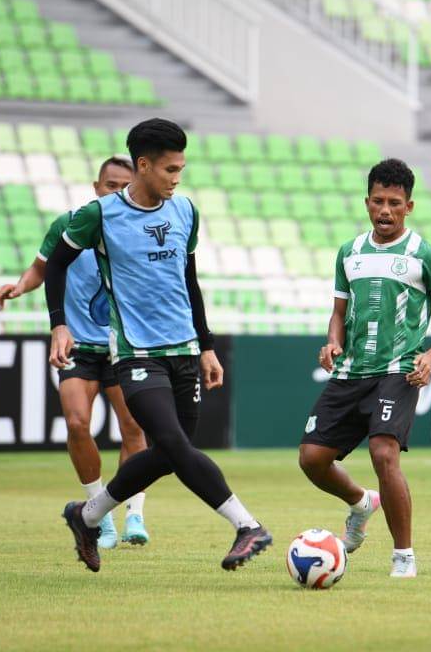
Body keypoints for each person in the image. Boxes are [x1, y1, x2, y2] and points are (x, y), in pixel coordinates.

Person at [44, 118, 271, 573]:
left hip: (184, 351)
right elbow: (55, 264)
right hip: (136, 355)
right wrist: (59, 325)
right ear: (143, 166)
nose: (176, 178)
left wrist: (206, 346)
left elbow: (189, 281)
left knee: (168, 454)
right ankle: (247, 525)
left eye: (181, 169)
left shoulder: (185, 211)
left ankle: (86, 516)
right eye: (170, 169)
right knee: (170, 441)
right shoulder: (99, 215)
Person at [298, 158, 431, 579]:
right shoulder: (349, 252)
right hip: (351, 372)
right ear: (367, 203)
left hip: (399, 370)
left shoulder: (423, 254)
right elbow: (339, 313)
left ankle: (403, 556)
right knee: (312, 459)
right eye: (378, 201)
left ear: (409, 206)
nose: (385, 210)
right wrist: (333, 341)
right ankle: (360, 503)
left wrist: (430, 356)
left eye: (394, 202)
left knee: (383, 452)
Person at [0, 156, 150, 548]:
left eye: (124, 186)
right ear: (96, 187)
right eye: (110, 185)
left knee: (134, 427)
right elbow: (42, 268)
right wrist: (19, 286)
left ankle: (135, 514)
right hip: (77, 345)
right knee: (78, 424)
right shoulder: (70, 224)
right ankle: (100, 515)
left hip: (123, 344)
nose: (117, 191)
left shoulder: (138, 230)